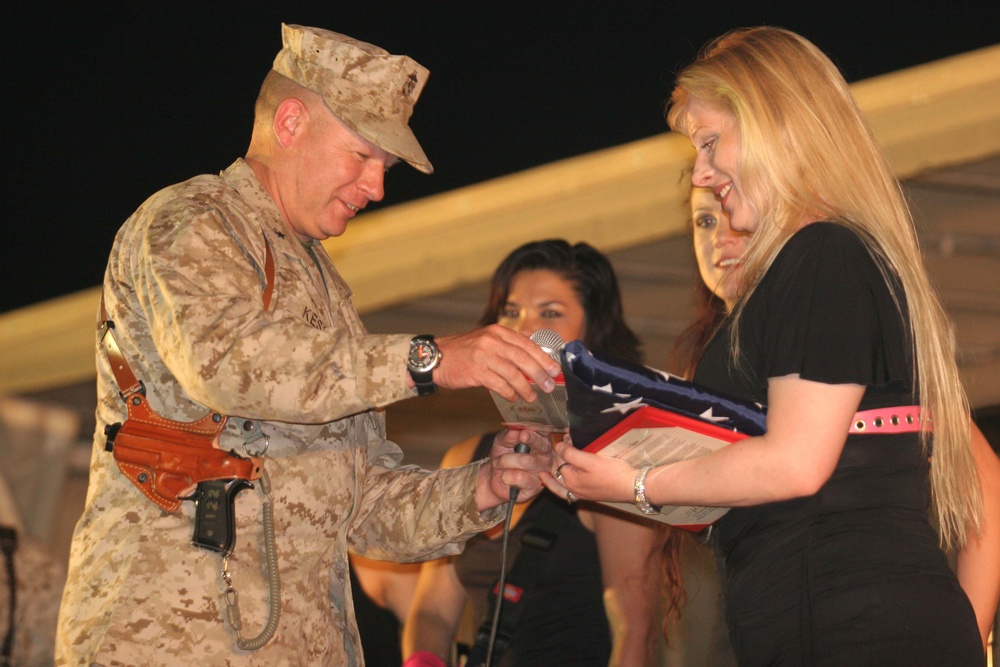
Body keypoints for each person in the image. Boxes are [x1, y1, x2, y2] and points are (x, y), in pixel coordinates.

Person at [55, 24, 563, 666]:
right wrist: (430, 360)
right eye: (363, 156)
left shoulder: (325, 289)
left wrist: (484, 487)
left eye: (386, 168)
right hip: (168, 641)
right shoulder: (192, 219)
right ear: (291, 123)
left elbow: (364, 507)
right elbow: (230, 363)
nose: (377, 187)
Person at [546, 27, 999, 665]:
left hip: (856, 627)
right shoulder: (805, 270)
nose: (702, 172)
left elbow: (795, 463)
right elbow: (764, 485)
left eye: (710, 142)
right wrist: (607, 459)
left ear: (773, 126)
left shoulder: (824, 256)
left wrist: (639, 481)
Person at [402, 240, 662, 666]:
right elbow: (431, 611)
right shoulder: (466, 456)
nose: (524, 329)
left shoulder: (613, 458)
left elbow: (637, 628)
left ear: (592, 334)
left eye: (550, 313)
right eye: (511, 312)